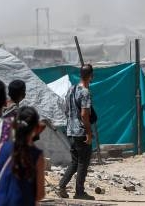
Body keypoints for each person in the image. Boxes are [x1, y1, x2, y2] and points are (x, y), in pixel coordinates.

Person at [0, 106, 46, 205]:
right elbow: (40, 194)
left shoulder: (1, 148)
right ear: (36, 129)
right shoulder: (37, 156)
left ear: (14, 125)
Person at [58, 64, 94, 200]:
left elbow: (66, 110)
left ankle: (61, 186)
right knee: (83, 162)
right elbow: (85, 114)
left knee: (75, 161)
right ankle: (79, 192)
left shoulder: (71, 89)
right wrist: (89, 133)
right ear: (91, 76)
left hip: (70, 130)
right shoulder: (85, 92)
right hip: (80, 132)